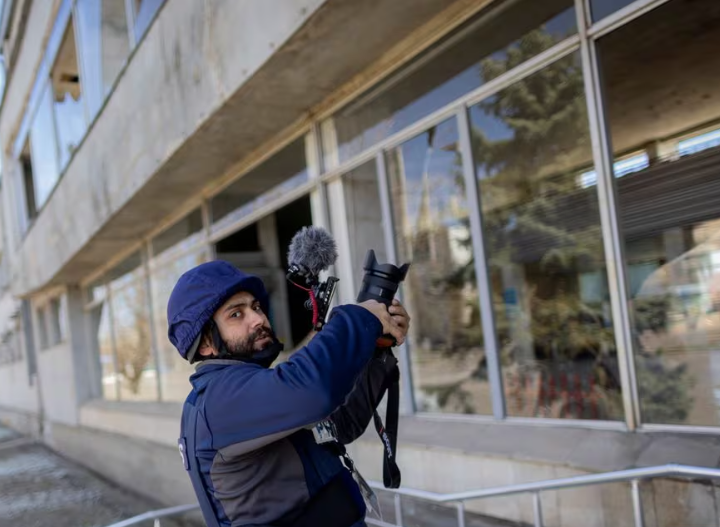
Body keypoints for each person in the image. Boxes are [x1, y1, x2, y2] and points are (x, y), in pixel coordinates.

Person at [167, 260, 410, 527]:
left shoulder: (251, 390)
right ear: (204, 344)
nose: (258, 319)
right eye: (236, 314)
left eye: (256, 307)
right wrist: (357, 319)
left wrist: (374, 348)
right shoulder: (219, 401)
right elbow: (313, 391)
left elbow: (339, 426)